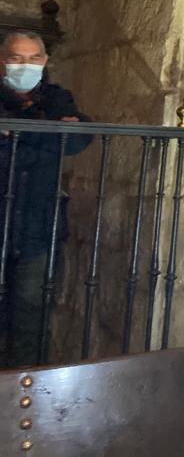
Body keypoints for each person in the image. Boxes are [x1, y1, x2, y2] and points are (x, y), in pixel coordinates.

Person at [0, 30, 91, 367]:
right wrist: (47, 134)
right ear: (2, 60)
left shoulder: (57, 99)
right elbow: (55, 144)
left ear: (45, 60)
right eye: (17, 58)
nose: (26, 65)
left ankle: (24, 388)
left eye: (34, 58)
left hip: (38, 225)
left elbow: (80, 139)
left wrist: (15, 135)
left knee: (31, 308)